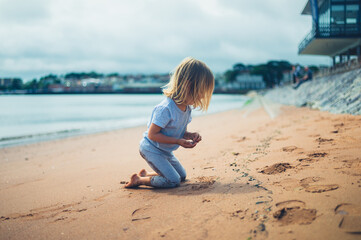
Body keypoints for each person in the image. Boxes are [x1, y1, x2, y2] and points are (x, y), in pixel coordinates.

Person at [125, 57, 215, 188]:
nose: (201, 97)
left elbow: (179, 131)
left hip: (165, 150)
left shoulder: (186, 109)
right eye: (201, 92)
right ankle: (138, 180)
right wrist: (178, 141)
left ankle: (147, 174)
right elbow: (153, 135)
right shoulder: (165, 109)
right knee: (173, 181)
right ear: (188, 85)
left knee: (182, 176)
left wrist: (190, 135)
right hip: (151, 149)